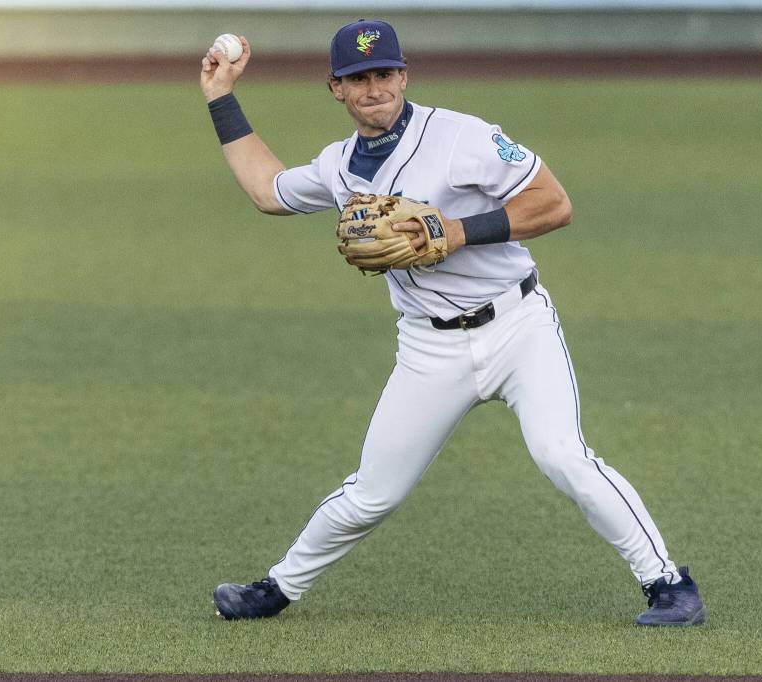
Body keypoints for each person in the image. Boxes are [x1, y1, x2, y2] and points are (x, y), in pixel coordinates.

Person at [201, 19, 705, 627]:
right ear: (336, 88)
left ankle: (669, 585)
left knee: (562, 455)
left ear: (404, 76)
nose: (374, 88)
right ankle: (274, 590)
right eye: (359, 79)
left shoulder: (463, 137)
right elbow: (266, 190)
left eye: (384, 74)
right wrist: (220, 97)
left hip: (517, 327)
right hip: (428, 349)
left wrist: (460, 231)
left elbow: (554, 203)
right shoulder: (337, 167)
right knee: (372, 493)